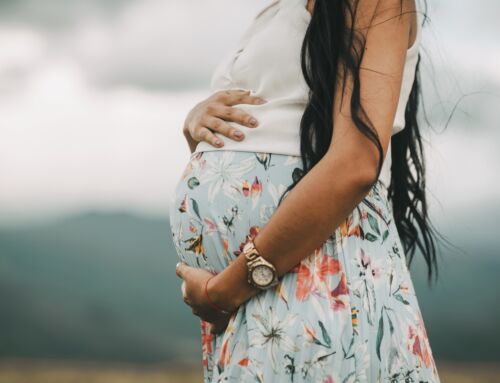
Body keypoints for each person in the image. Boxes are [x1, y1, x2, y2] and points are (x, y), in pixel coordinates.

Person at [170, 0, 442, 381]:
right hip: (253, 300)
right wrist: (198, 130)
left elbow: (356, 163)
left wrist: (225, 290)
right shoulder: (274, 11)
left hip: (314, 282)